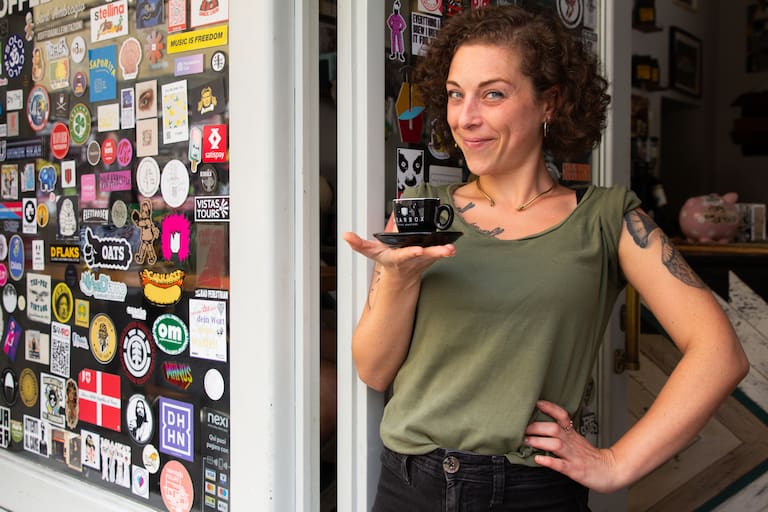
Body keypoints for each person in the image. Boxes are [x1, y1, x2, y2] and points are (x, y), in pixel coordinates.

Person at [342, 5, 749, 511]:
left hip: (531, 492)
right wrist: (399, 280)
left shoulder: (608, 218)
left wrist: (617, 463)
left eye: (493, 94)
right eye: (455, 94)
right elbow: (373, 372)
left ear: (549, 102)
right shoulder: (421, 209)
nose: (466, 117)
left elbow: (719, 354)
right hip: (411, 484)